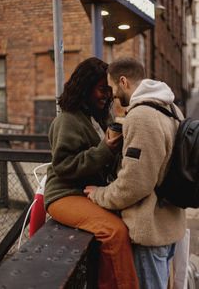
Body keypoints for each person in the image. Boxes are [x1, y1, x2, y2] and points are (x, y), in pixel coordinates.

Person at [84, 56, 186, 289]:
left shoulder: (140, 116)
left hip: (150, 232)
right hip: (169, 224)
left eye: (112, 88)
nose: (113, 95)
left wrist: (99, 194)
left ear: (123, 81)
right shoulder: (171, 108)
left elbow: (134, 185)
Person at [44, 57, 139, 289]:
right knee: (114, 232)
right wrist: (105, 151)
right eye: (102, 89)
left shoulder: (100, 117)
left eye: (109, 90)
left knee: (129, 224)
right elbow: (64, 166)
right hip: (64, 195)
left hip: (90, 193)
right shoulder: (66, 120)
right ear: (85, 88)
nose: (108, 95)